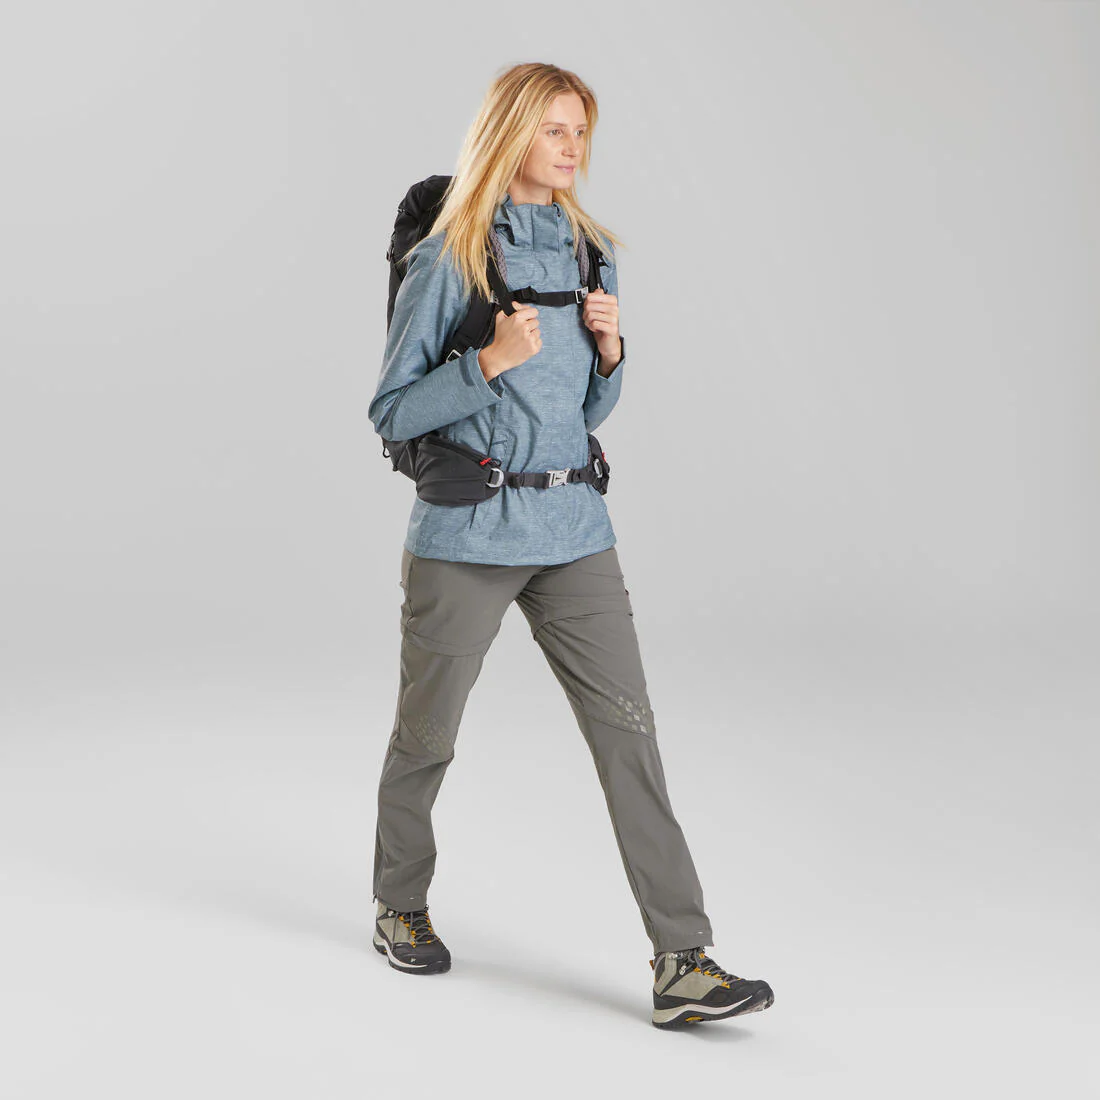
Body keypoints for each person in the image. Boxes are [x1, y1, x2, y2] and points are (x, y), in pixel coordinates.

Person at [368, 62, 774, 1029]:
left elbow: (584, 413)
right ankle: (399, 903)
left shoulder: (592, 252)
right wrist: (486, 363)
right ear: (511, 132)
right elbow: (390, 409)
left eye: (580, 132)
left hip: (575, 531)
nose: (572, 148)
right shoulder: (450, 256)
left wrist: (612, 354)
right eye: (554, 130)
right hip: (468, 534)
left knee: (630, 737)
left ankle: (683, 961)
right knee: (428, 737)